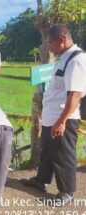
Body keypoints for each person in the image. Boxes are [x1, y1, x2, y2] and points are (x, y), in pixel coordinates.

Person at [21, 24, 86, 206]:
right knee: (48, 152)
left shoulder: (77, 60)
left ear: (62, 39)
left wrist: (61, 121)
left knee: (63, 155)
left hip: (64, 118)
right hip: (53, 117)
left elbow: (75, 94)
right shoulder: (64, 58)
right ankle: (41, 180)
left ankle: (67, 191)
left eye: (50, 42)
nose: (48, 46)